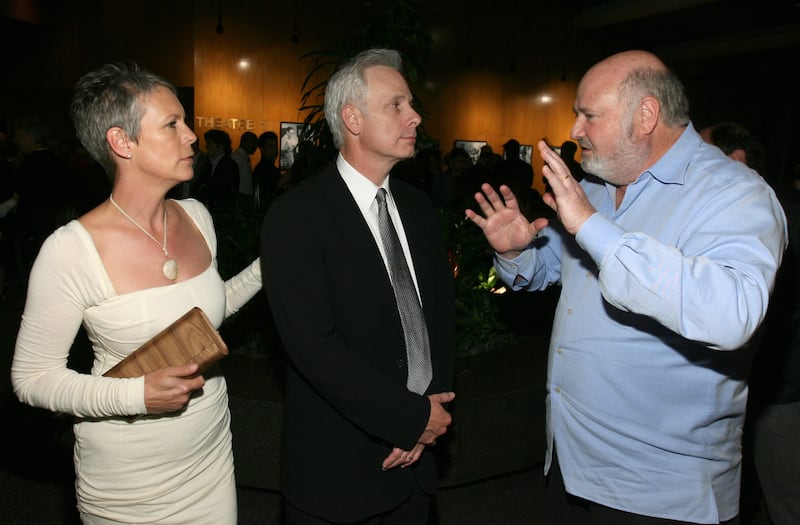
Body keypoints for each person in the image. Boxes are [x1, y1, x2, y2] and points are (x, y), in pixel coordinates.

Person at [465, 50, 787, 524]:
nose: (574, 129)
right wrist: (516, 253)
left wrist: (593, 227)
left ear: (646, 115)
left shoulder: (733, 192)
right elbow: (551, 269)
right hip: (571, 466)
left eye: (588, 114)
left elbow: (731, 313)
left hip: (662, 491)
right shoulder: (595, 189)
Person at [11, 61, 262, 524]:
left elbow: (206, 316)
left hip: (210, 455)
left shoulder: (196, 217)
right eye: (172, 124)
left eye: (185, 121)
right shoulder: (71, 250)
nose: (191, 135)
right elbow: (31, 378)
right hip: (129, 481)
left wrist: (269, 268)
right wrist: (136, 397)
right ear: (122, 142)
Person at [260, 48, 456, 524]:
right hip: (340, 475)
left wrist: (431, 419)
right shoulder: (296, 216)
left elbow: (440, 321)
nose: (414, 117)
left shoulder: (418, 208)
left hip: (417, 467)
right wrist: (408, 421)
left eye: (412, 105)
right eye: (396, 105)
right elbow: (312, 347)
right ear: (352, 118)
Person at [195, 128, 239, 214]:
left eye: (210, 143)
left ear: (220, 146)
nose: (206, 146)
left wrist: (205, 189)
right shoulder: (208, 163)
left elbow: (223, 192)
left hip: (222, 214)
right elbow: (197, 186)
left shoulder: (229, 165)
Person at [252, 130, 281, 210]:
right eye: (271, 147)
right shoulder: (265, 170)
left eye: (276, 146)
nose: (275, 150)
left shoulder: (260, 168)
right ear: (262, 149)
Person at [232, 130, 258, 197]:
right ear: (244, 142)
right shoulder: (237, 158)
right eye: (254, 143)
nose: (256, 146)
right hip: (241, 197)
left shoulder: (240, 157)